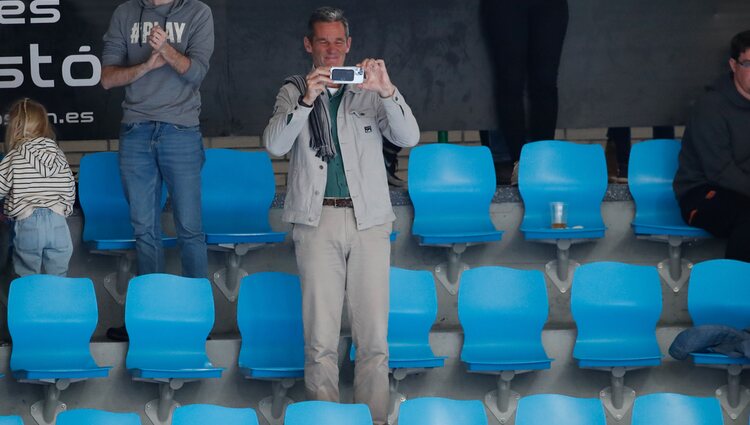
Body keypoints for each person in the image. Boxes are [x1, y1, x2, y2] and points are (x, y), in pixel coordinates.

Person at [263, 7, 419, 424]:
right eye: (322, 42)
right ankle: (325, 420)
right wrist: (306, 100)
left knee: (374, 341)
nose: (331, 50)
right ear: (308, 45)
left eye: (338, 42)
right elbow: (275, 145)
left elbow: (409, 137)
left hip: (368, 221)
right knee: (320, 341)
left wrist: (387, 90)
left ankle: (375, 419)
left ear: (349, 46)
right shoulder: (294, 88)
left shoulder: (370, 90)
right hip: (317, 222)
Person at [100, 0, 214, 279]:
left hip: (180, 131)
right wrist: (146, 66)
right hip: (135, 131)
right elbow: (107, 78)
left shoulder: (198, 11)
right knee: (144, 229)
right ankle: (152, 317)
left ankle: (196, 314)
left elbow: (197, 72)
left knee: (189, 228)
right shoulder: (124, 12)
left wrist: (165, 48)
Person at [674, 30, 750, 262]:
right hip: (703, 194)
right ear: (733, 65)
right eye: (748, 63)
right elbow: (720, 170)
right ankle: (736, 294)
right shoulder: (711, 106)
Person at [480, 0, 569, 184]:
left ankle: (542, 161)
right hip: (505, 6)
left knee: (545, 83)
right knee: (510, 82)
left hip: (549, 7)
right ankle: (519, 163)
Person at [0, 98, 75, 277]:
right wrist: (64, 209)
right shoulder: (57, 153)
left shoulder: (14, 156)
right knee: (59, 275)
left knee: (27, 275)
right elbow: (69, 186)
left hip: (28, 222)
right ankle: (57, 304)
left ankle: (30, 304)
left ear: (15, 127)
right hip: (58, 222)